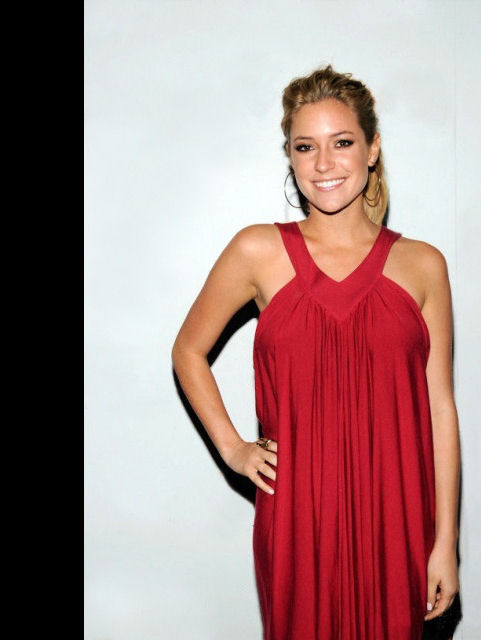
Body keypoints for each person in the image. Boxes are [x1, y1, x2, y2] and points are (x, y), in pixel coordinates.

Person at [172, 64, 461, 640]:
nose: (324, 163)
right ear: (291, 157)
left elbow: (440, 410)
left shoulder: (423, 264)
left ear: (372, 149)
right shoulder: (257, 250)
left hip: (398, 514)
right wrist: (234, 449)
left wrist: (445, 543)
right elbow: (188, 350)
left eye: (342, 142)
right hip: (298, 516)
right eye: (306, 147)